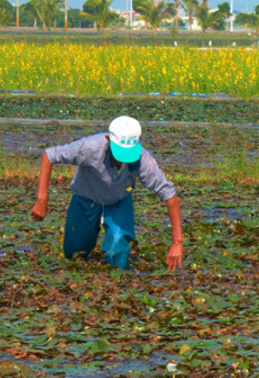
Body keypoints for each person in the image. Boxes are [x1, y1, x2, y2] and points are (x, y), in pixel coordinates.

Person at [30, 116, 183, 271]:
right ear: (108, 139)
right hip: (85, 198)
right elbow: (49, 156)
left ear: (139, 141)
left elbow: (170, 196)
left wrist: (177, 243)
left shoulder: (143, 159)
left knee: (117, 249)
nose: (123, 159)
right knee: (74, 255)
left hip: (119, 201)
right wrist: (42, 199)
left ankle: (118, 283)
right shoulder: (89, 148)